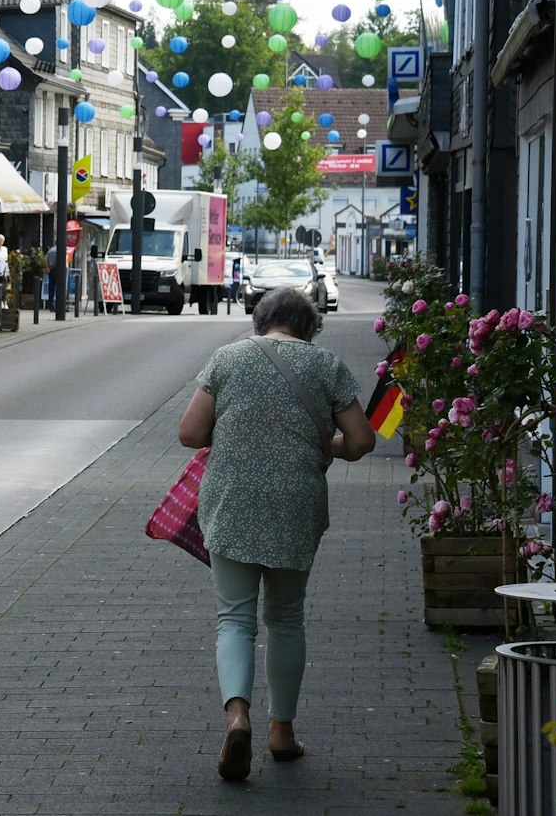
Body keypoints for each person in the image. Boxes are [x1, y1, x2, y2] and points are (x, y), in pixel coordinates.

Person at [176, 287, 377, 781]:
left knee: (234, 619)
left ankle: (237, 716)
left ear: (260, 321)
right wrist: (328, 445)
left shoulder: (227, 359)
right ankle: (282, 732)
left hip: (232, 499)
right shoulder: (327, 365)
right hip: (295, 502)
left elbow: (189, 433)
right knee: (286, 618)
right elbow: (362, 440)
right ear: (310, 327)